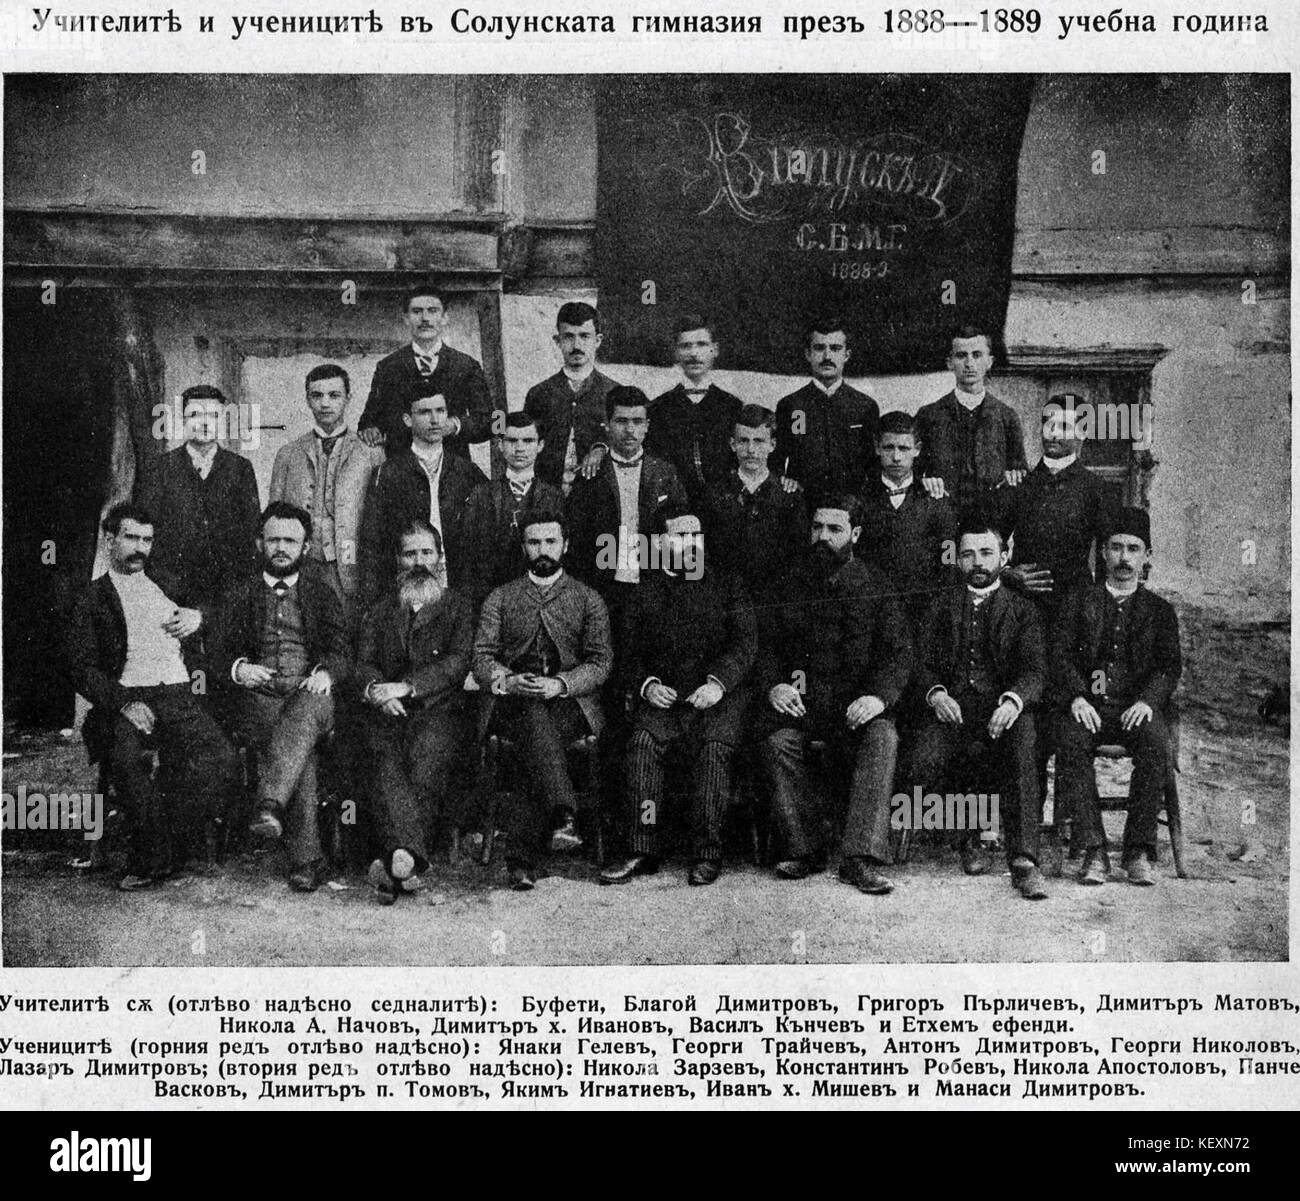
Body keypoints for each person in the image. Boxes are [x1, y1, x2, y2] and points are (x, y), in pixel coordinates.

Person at [64, 503, 239, 891]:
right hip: (127, 697)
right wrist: (124, 703)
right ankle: (153, 855)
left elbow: (221, 608)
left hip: (177, 692)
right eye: (131, 538)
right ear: (110, 540)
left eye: (147, 539)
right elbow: (82, 668)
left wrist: (199, 618)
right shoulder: (93, 599)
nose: (140, 548)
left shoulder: (168, 583)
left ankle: (171, 834)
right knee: (126, 761)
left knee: (222, 759)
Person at [755, 495, 913, 893]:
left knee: (883, 736)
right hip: (804, 708)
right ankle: (804, 849)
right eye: (817, 528)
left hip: (857, 710)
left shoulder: (878, 585)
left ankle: (858, 857)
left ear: (855, 534)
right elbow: (766, 647)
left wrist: (878, 697)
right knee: (778, 742)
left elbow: (899, 653)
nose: (822, 537)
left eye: (834, 529)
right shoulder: (787, 583)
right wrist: (774, 685)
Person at [600, 509, 756, 887]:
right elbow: (628, 654)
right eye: (678, 537)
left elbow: (745, 644)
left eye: (694, 536)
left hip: (718, 698)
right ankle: (643, 847)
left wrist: (718, 683)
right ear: (659, 544)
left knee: (714, 749)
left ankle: (707, 853)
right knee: (642, 743)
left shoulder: (728, 584)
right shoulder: (644, 591)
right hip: (665, 701)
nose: (689, 544)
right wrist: (648, 685)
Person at [209, 503, 351, 892]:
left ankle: (269, 803)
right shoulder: (240, 592)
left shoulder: (321, 590)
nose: (282, 548)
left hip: (311, 695)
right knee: (298, 748)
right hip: (260, 700)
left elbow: (341, 649)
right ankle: (308, 862)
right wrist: (240, 668)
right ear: (260, 543)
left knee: (303, 717)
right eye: (274, 540)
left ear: (306, 547)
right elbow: (216, 651)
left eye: (291, 540)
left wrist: (325, 672)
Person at [472, 508, 613, 891]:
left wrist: (561, 684)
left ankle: (522, 862)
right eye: (534, 542)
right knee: (532, 716)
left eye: (551, 541)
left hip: (570, 704)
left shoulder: (588, 598)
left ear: (565, 545)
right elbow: (481, 658)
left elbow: (601, 664)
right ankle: (564, 814)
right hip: (513, 702)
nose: (543, 549)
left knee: (537, 734)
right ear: (523, 547)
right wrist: (509, 680)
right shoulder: (501, 598)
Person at [910, 521, 1049, 900]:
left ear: (1005, 558)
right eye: (968, 554)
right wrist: (936, 694)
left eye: (987, 553)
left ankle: (1023, 858)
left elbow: (1035, 669)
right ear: (956, 559)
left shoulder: (1024, 611)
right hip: (952, 708)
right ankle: (968, 834)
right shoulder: (939, 606)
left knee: (1024, 740)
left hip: (1001, 709)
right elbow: (920, 663)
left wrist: (1012, 700)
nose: (978, 562)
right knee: (927, 754)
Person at [1050, 508, 1182, 886]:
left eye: (1133, 549)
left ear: (1147, 556)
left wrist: (1147, 701)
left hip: (1135, 708)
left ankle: (1137, 849)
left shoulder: (1160, 612)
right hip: (1090, 705)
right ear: (1102, 553)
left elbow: (1169, 667)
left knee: (1156, 743)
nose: (1124, 558)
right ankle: (1093, 850)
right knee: (1070, 741)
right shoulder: (1078, 602)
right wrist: (1077, 697)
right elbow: (1059, 656)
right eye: (1116, 548)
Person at [356, 520, 475, 904]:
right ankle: (405, 862)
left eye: (427, 552)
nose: (419, 561)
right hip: (386, 711)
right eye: (410, 553)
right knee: (381, 757)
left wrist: (408, 687)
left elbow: (458, 662)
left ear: (440, 558)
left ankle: (391, 860)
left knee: (427, 757)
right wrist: (377, 690)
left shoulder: (457, 606)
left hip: (439, 708)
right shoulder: (380, 610)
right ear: (397, 560)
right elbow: (365, 663)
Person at [565, 385, 689, 644]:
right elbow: (577, 542)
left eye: (637, 421)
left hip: (653, 583)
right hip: (605, 586)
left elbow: (684, 536)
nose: (630, 430)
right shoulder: (589, 475)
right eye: (621, 421)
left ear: (647, 426)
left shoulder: (666, 473)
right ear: (607, 425)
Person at [269, 364, 383, 630]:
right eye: (317, 395)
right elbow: (273, 517)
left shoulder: (371, 452)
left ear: (348, 398)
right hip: (303, 563)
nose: (325, 403)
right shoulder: (288, 454)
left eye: (334, 395)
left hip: (349, 564)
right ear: (307, 399)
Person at [136, 384, 260, 629]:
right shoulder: (160, 469)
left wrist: (219, 605)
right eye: (195, 415)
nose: (204, 423)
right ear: (182, 419)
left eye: (213, 416)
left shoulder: (240, 469)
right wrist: (173, 597)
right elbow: (146, 536)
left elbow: (250, 541)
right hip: (170, 596)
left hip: (226, 599)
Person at [359, 390, 487, 609]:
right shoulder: (387, 473)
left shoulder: (468, 472)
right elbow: (372, 544)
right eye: (425, 412)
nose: (435, 419)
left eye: (440, 411)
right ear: (408, 419)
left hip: (458, 588)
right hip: (407, 586)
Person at [1003, 396, 1120, 625]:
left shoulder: (1095, 488)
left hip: (1075, 612)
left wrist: (1096, 610)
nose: (1054, 433)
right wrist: (1008, 574)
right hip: (1021, 606)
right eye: (1049, 425)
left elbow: (1109, 555)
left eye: (1065, 426)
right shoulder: (1019, 484)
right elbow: (991, 540)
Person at [704, 404, 807, 638]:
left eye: (759, 441)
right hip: (727, 605)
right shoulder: (714, 494)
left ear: (772, 445)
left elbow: (798, 556)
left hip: (774, 606)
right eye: (743, 441)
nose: (751, 450)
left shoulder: (789, 495)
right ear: (732, 444)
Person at [358, 284, 494, 459]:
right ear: (406, 318)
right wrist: (371, 430)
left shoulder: (466, 366)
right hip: (402, 467)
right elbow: (368, 420)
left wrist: (455, 424)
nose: (425, 318)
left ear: (445, 317)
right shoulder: (388, 367)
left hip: (453, 467)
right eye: (417, 311)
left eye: (432, 311)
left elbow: (488, 421)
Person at [916, 323, 1028, 524]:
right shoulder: (929, 416)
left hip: (991, 524)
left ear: (990, 361)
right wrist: (926, 481)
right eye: (961, 356)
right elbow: (913, 475)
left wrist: (1013, 477)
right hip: (942, 521)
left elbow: (1019, 473)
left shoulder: (1006, 417)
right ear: (950, 363)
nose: (969, 364)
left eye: (977, 355)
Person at [858, 410, 959, 623]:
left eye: (904, 448)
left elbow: (948, 556)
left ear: (917, 450)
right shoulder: (861, 499)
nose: (896, 457)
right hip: (871, 610)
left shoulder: (937, 500)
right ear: (877, 448)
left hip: (922, 611)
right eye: (889, 448)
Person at [463, 411, 564, 608]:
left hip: (540, 598)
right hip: (489, 598)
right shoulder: (481, 494)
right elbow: (468, 555)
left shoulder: (554, 496)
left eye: (528, 441)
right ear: (500, 445)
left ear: (540, 445)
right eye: (512, 441)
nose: (519, 448)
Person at [774, 318, 880, 496]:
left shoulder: (865, 407)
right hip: (802, 504)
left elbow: (875, 465)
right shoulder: (791, 405)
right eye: (819, 348)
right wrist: (784, 481)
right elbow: (775, 461)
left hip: (850, 507)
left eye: (835, 348)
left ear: (847, 355)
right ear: (807, 354)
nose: (827, 357)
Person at [645, 314, 743, 508]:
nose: (694, 354)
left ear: (714, 350)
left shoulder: (733, 407)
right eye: (686, 346)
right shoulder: (658, 408)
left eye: (701, 344)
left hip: (723, 510)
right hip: (675, 508)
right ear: (676, 352)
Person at [523, 301, 619, 494]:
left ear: (598, 340)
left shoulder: (614, 392)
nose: (576, 345)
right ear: (557, 341)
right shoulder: (539, 394)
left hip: (598, 498)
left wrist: (602, 448)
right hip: (549, 497)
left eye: (585, 336)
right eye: (568, 337)